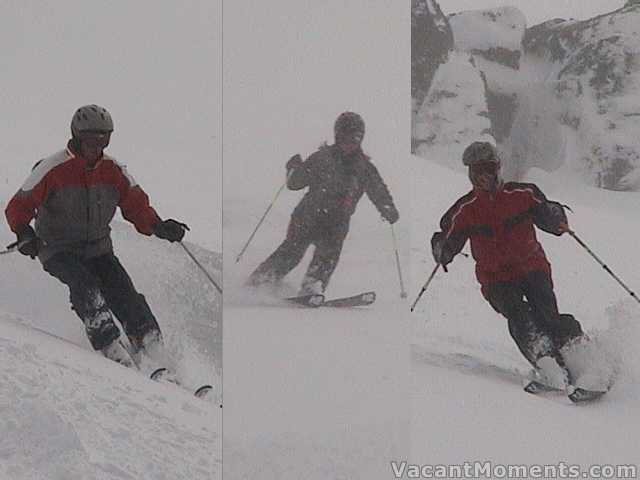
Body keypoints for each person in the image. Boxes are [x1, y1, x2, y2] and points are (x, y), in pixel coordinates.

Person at [5, 104, 189, 368]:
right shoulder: (53, 168)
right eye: (92, 138)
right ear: (78, 136)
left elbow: (136, 205)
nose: (98, 144)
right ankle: (109, 344)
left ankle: (152, 348)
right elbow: (18, 206)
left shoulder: (113, 170)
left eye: (105, 137)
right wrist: (24, 232)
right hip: (57, 249)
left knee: (125, 293)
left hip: (98, 249)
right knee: (85, 285)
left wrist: (159, 226)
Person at [431, 141, 584, 373]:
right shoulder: (465, 209)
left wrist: (555, 217)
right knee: (519, 315)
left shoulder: (523, 193)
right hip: (496, 278)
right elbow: (448, 237)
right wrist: (442, 250)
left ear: (498, 168)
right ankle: (546, 364)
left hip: (532, 267)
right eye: (476, 170)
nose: (482, 176)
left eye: (487, 168)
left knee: (548, 318)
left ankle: (583, 360)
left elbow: (548, 215)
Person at [248, 111, 400, 295]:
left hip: (337, 221)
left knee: (328, 255)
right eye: (346, 138)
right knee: (291, 252)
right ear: (337, 135)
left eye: (355, 139)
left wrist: (387, 207)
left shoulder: (364, 168)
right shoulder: (322, 158)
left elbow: (378, 190)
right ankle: (260, 281)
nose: (349, 144)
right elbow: (295, 183)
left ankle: (313, 285)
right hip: (308, 216)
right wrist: (293, 168)